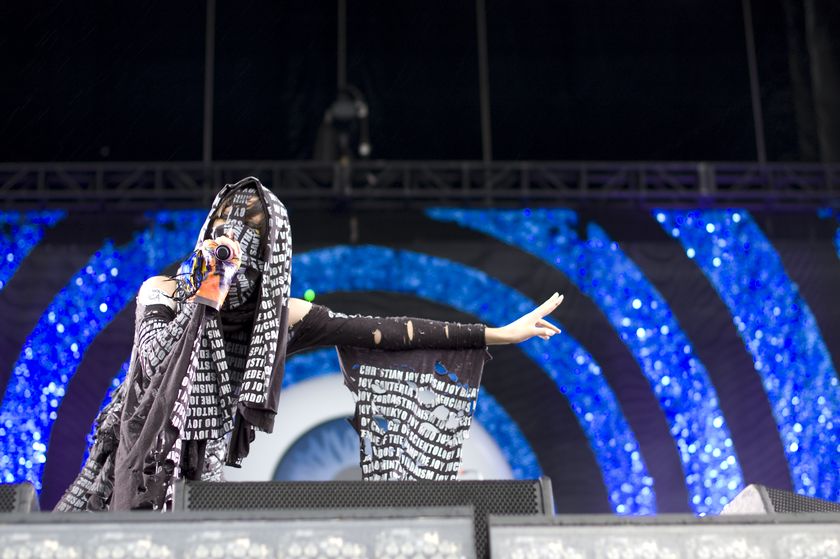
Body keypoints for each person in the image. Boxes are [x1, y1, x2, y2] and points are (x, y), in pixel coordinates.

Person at [55, 177, 563, 511]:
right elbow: (156, 363)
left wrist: (497, 333)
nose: (236, 236)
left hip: (199, 474)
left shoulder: (277, 318)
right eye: (228, 224)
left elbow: (387, 332)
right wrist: (208, 290)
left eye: (252, 231)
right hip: (133, 458)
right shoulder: (163, 292)